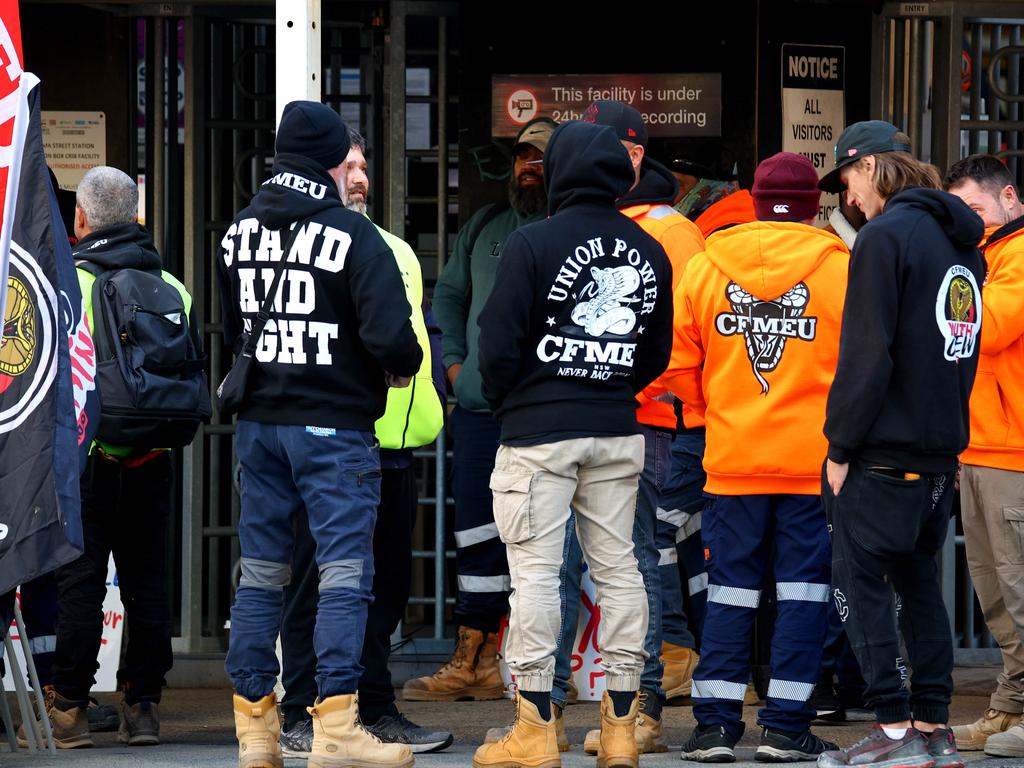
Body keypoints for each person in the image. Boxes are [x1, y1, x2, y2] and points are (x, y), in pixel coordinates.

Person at [217, 101, 422, 768]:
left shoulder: (236, 233)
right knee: (341, 575)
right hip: (334, 431)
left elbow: (233, 332)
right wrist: (393, 370)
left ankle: (256, 733)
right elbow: (397, 341)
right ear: (335, 160)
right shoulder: (354, 237)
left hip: (258, 428)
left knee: (262, 577)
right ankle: (336, 730)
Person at [473, 119, 674, 768]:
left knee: (535, 574)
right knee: (619, 570)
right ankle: (620, 729)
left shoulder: (533, 243)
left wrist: (513, 401)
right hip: (618, 429)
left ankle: (534, 730)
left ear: (558, 171)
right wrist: (609, 384)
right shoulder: (649, 250)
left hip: (539, 432)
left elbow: (496, 347)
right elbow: (656, 353)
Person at [664, 152, 847, 763]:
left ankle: (715, 726)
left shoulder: (706, 265)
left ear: (755, 198)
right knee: (802, 594)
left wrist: (719, 405)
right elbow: (865, 366)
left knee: (729, 591)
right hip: (813, 466)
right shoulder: (841, 268)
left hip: (732, 459)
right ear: (813, 206)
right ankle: (786, 726)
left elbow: (676, 365)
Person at [276, 128, 452, 757]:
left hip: (396, 445)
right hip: (332, 444)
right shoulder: (304, 245)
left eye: (363, 164)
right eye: (345, 165)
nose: (357, 177)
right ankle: (302, 710)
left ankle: (373, 707)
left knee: (384, 589)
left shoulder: (397, 248)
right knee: (318, 585)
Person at [816, 121, 985, 768]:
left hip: (882, 451)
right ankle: (933, 729)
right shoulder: (961, 243)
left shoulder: (884, 238)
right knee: (920, 588)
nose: (849, 198)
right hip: (940, 451)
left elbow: (867, 353)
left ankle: (891, 731)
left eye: (850, 179)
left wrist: (839, 446)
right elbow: (959, 348)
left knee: (860, 586)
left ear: (875, 170)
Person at [19, 166, 188, 748]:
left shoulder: (74, 288)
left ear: (81, 220)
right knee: (149, 585)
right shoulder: (172, 285)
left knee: (80, 587)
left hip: (89, 459)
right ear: (136, 216)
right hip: (154, 458)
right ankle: (142, 707)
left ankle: (68, 709)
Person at [561, 100, 705, 753]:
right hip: (580, 418)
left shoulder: (671, 231)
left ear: (636, 153)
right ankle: (547, 713)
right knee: (563, 563)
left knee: (636, 558)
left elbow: (682, 336)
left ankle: (642, 708)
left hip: (647, 419)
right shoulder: (586, 221)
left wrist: (622, 383)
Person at [409, 117, 555, 702]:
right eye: (524, 156)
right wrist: (452, 367)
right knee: (476, 532)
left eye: (541, 158)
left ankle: (525, 664)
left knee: (539, 539)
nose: (529, 167)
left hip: (541, 415)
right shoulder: (485, 226)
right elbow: (445, 296)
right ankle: (473, 655)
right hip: (476, 411)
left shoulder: (566, 230)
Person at [945, 154, 1024, 758]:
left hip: (1013, 449)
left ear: (1010, 198)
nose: (968, 220)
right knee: (993, 590)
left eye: (975, 208)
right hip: (980, 445)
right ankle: (1008, 705)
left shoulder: (1016, 254)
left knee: (1018, 587)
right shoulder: (987, 256)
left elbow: (984, 327)